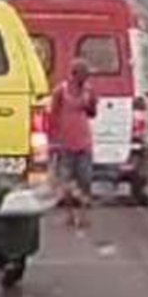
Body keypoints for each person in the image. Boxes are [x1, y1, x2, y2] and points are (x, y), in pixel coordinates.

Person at [51, 59, 98, 228]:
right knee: (67, 181)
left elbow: (93, 113)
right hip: (65, 142)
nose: (87, 78)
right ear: (75, 74)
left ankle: (84, 215)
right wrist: (53, 140)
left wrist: (91, 101)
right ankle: (70, 215)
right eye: (84, 74)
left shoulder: (89, 91)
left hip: (84, 141)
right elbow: (53, 116)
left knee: (85, 179)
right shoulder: (60, 91)